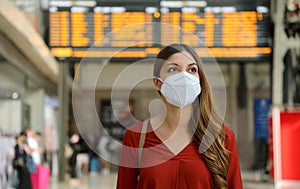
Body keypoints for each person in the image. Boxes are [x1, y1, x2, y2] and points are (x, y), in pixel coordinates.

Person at [116, 44, 242, 189]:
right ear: (157, 82)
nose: (184, 76)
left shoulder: (223, 138)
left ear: (199, 80)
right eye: (173, 69)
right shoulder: (136, 137)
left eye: (192, 69)